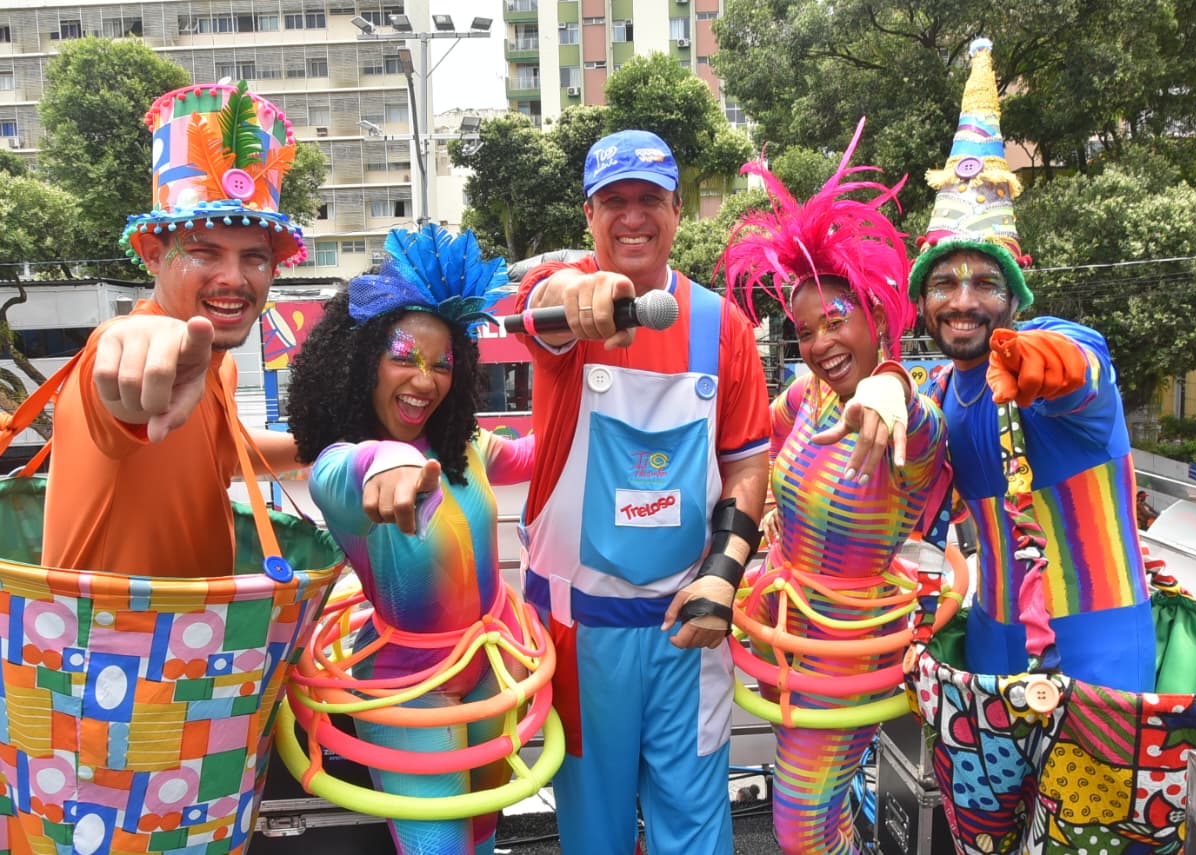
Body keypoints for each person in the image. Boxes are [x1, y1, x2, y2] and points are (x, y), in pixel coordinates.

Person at [515, 129, 771, 855]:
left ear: (677, 210)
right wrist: (577, 292)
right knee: (592, 835)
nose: (633, 217)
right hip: (579, 638)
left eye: (650, 199)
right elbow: (545, 302)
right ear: (589, 215)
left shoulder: (724, 326)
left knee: (695, 832)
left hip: (686, 632)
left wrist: (723, 574)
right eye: (614, 201)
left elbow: (747, 465)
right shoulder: (564, 308)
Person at [719, 123, 947, 855]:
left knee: (798, 828)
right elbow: (750, 443)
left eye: (837, 320)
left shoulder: (905, 419)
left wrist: (891, 385)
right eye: (806, 329)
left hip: (847, 648)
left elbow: (920, 424)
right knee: (824, 811)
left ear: (876, 315)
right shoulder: (808, 396)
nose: (820, 343)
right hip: (787, 621)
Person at [910, 38, 1156, 694]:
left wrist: (1033, 360)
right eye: (944, 284)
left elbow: (1078, 365)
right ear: (923, 302)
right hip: (990, 641)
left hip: (1100, 653)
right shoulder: (939, 390)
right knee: (973, 774)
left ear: (1016, 298)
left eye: (986, 283)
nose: (963, 301)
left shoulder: (1057, 342)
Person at [286, 225, 535, 855]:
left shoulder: (465, 447)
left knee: (482, 834)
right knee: (438, 849)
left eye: (442, 364)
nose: (425, 381)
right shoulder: (340, 464)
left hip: (494, 662)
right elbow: (356, 470)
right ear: (360, 364)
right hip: (409, 687)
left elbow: (542, 453)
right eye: (404, 357)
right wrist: (389, 461)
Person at [43, 80, 307, 577]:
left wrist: (341, 438)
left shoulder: (219, 368)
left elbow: (222, 454)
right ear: (152, 255)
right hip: (107, 629)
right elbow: (123, 374)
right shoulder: (126, 348)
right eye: (204, 252)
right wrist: (132, 341)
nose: (234, 278)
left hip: (209, 626)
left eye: (254, 258)